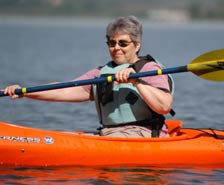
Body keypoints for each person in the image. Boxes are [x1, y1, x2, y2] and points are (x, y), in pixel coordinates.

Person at [4, 15, 174, 138]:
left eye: (123, 43)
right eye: (112, 43)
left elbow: (164, 106)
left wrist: (137, 82)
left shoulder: (150, 68)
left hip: (144, 135)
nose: (116, 48)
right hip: (110, 134)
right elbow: (63, 91)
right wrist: (24, 92)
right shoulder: (100, 73)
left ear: (137, 45)